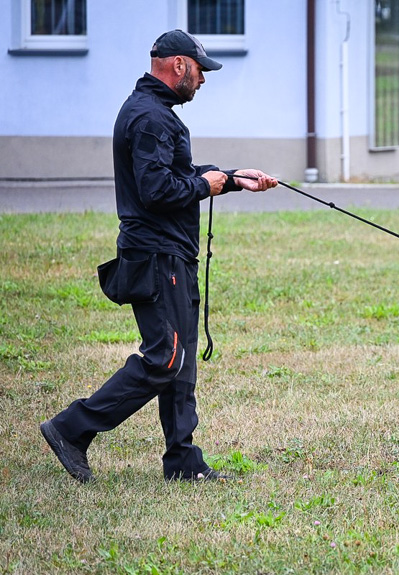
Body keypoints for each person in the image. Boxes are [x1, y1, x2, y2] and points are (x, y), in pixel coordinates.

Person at [39, 29, 278, 483]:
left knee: (181, 360)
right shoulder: (150, 118)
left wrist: (228, 178)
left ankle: (184, 463)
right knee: (166, 357)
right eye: (201, 71)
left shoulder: (155, 113)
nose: (204, 81)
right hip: (156, 256)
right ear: (179, 65)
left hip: (172, 256)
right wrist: (204, 185)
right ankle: (72, 428)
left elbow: (177, 174)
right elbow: (156, 191)